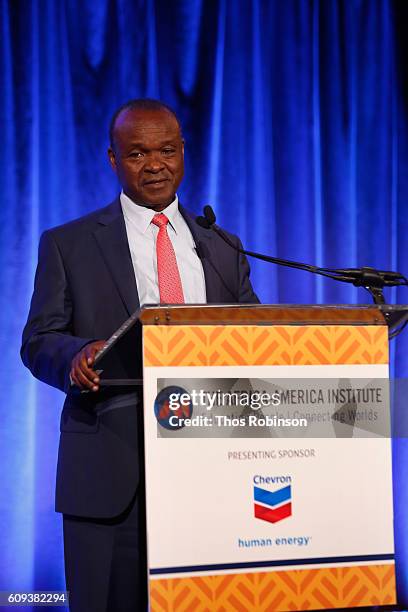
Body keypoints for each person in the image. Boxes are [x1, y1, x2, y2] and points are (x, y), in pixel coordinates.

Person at [21, 98, 259, 611]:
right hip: (111, 470)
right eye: (137, 154)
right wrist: (77, 354)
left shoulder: (223, 247)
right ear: (113, 159)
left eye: (167, 151)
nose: (155, 165)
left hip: (211, 467)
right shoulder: (69, 243)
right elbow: (38, 339)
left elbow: (255, 337)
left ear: (184, 152)